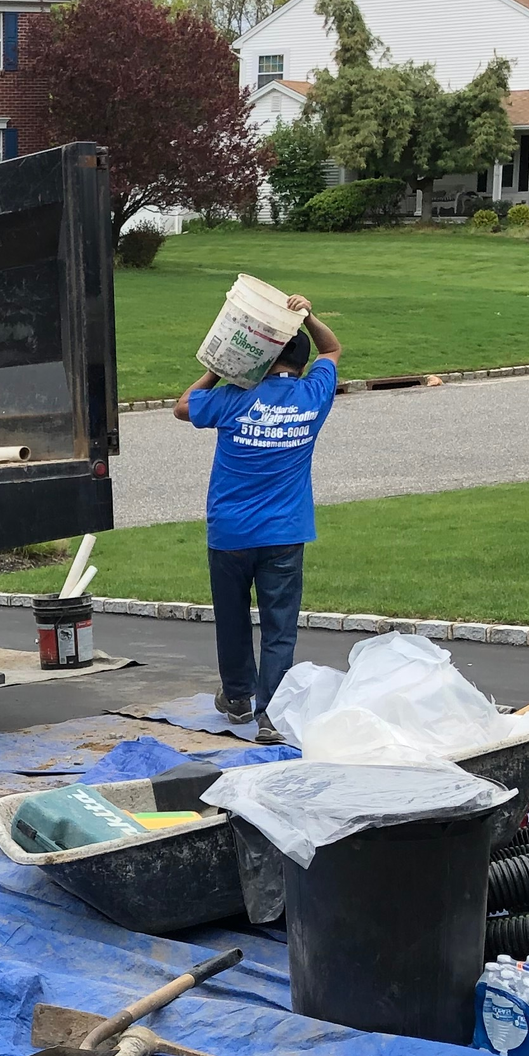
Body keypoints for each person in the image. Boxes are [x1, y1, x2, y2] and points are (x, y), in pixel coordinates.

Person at [173, 302, 342, 737]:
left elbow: (182, 407)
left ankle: (236, 696)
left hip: (230, 532)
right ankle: (272, 712)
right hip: (285, 532)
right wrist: (307, 317)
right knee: (279, 626)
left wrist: (220, 367)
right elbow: (333, 349)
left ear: (261, 359)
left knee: (232, 619)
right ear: (301, 364)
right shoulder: (313, 395)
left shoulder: (232, 398)